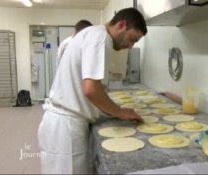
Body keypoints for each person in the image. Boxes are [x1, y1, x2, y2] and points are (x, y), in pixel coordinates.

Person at [38, 8, 147, 174]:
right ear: (121, 25)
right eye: (132, 39)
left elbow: (93, 88)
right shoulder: (100, 38)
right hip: (66, 128)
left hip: (61, 123)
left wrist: (109, 110)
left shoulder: (93, 33)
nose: (131, 46)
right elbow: (91, 90)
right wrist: (121, 112)